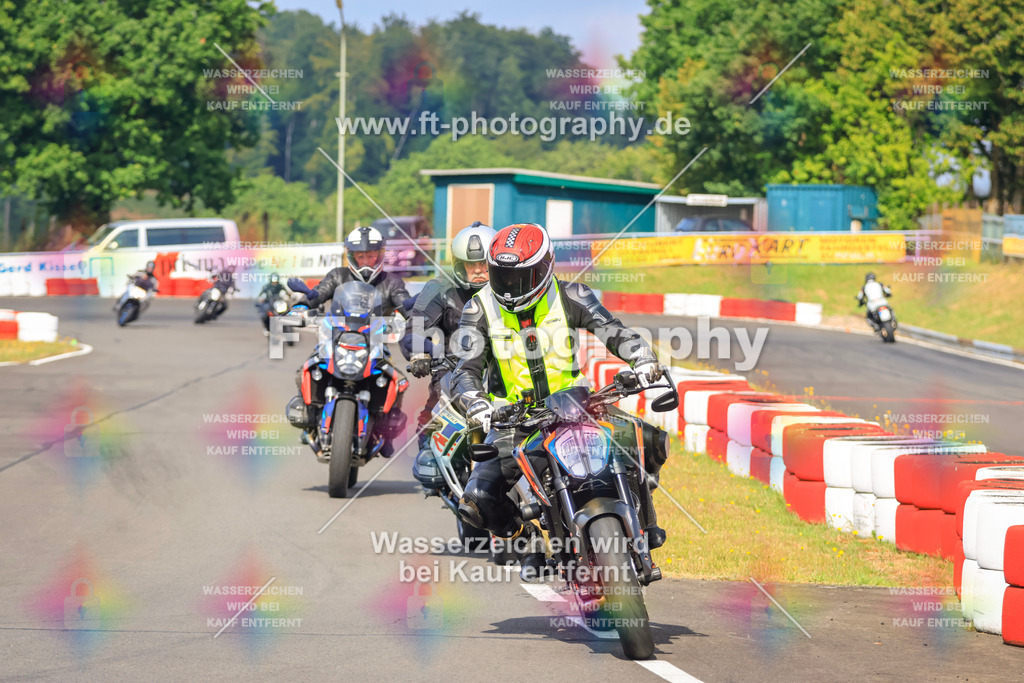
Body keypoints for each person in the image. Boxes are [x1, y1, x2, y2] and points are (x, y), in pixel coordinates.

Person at [451, 223, 669, 580]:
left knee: (651, 440)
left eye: (519, 276)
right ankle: (529, 542)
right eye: (502, 275)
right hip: (515, 420)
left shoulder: (572, 294)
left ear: (544, 267)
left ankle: (645, 521)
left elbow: (613, 330)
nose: (509, 285)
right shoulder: (478, 309)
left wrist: (642, 358)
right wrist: (475, 402)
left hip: (578, 406)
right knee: (477, 501)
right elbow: (465, 369)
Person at [287, 226, 415, 458]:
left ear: (380, 255)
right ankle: (309, 417)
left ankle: (385, 432)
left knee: (398, 381)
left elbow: (404, 303)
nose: (366, 262)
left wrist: (413, 315)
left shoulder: (392, 282)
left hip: (374, 346)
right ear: (352, 257)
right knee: (305, 370)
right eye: (361, 256)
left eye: (371, 256)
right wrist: (302, 306)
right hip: (336, 340)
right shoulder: (338, 276)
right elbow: (319, 293)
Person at [399, 222, 496, 484]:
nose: (479, 270)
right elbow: (415, 328)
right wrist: (420, 353)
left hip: (502, 370)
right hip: (452, 369)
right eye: (471, 264)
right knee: (431, 420)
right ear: (459, 265)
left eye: (484, 263)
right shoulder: (440, 288)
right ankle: (434, 457)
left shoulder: (508, 290)